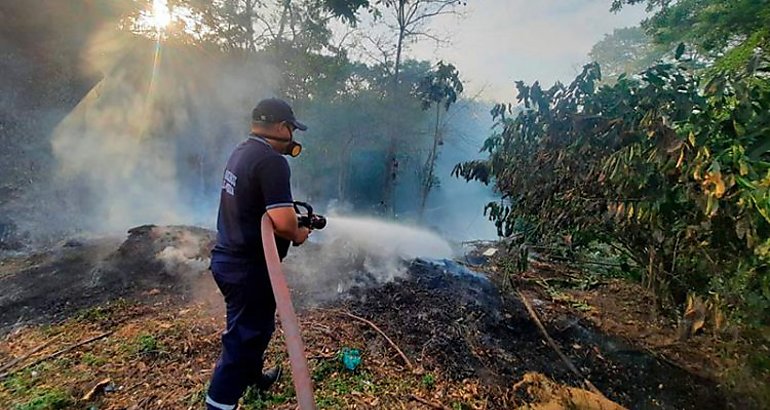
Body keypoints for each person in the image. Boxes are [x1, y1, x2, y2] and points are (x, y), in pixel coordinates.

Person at [205, 98, 311, 410]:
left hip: (228, 259)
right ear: (281, 128)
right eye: (291, 129)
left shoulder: (242, 152)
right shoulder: (273, 162)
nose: (293, 137)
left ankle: (253, 378)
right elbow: (282, 222)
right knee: (246, 338)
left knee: (249, 327)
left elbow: (258, 206)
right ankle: (218, 404)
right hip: (249, 268)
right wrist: (299, 233)